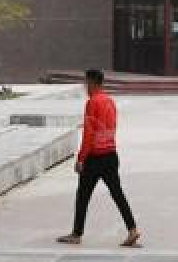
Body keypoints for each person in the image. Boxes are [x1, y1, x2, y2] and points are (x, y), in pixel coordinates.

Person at [57, 69, 141, 247]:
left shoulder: (92, 102)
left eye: (86, 83)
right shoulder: (110, 101)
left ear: (92, 82)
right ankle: (132, 229)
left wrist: (81, 158)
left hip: (95, 158)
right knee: (117, 194)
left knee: (83, 196)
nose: (85, 87)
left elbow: (89, 133)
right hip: (111, 154)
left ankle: (76, 233)